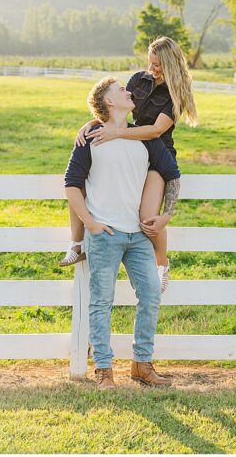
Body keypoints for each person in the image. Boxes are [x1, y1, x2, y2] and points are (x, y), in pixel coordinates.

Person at [64, 76, 181, 390]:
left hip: (138, 235)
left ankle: (142, 365)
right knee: (101, 303)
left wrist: (166, 215)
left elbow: (172, 176)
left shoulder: (143, 137)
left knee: (151, 295)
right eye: (121, 91)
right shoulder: (90, 137)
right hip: (105, 235)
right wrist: (90, 224)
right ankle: (103, 370)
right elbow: (72, 185)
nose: (130, 92)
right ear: (109, 102)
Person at [61, 36, 197, 294]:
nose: (152, 69)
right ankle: (76, 244)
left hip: (156, 155)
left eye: (157, 65)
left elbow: (156, 130)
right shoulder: (138, 80)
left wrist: (117, 134)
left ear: (170, 65)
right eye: (150, 62)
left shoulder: (176, 93)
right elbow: (114, 106)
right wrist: (90, 124)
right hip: (129, 147)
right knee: (81, 182)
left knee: (147, 218)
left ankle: (162, 264)